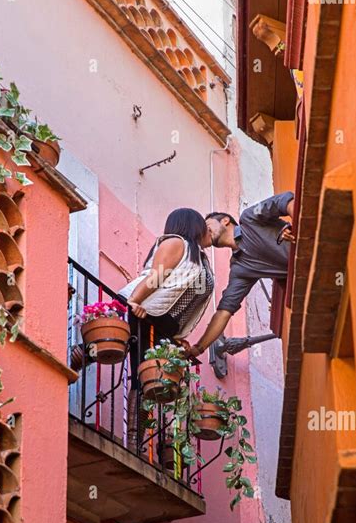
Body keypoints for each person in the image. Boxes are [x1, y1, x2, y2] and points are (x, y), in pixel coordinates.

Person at [118, 208, 214, 449]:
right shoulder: (176, 243)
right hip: (143, 310)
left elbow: (186, 298)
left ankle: (137, 438)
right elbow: (157, 276)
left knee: (150, 378)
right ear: (193, 225)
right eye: (204, 225)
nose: (207, 230)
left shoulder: (200, 258)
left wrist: (178, 336)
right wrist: (135, 301)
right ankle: (133, 439)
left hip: (160, 322)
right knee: (142, 374)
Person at [187, 191, 295, 358]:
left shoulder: (250, 217)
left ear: (225, 220)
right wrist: (198, 349)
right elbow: (224, 311)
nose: (202, 231)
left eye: (206, 225)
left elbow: (284, 200)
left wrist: (300, 225)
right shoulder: (239, 269)